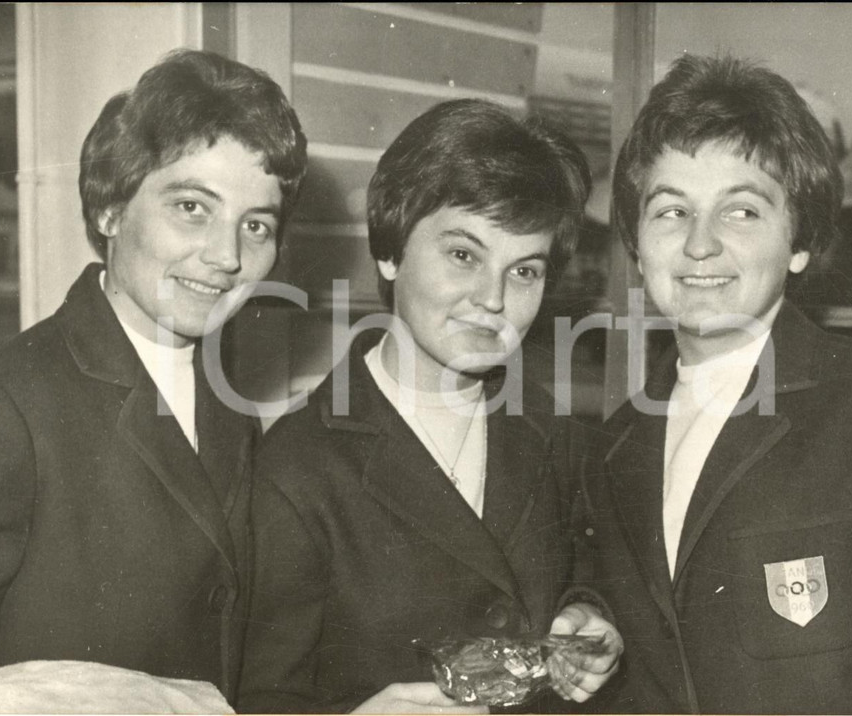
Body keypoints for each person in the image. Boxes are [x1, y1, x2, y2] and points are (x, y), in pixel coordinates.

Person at [582, 54, 852, 714]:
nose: (700, 245)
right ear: (637, 247)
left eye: (743, 212)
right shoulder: (617, 443)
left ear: (800, 242)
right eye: (672, 211)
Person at [238, 99, 623, 714]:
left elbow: (589, 567)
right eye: (463, 255)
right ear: (390, 249)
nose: (492, 298)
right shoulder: (299, 466)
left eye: (523, 271)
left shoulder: (553, 433)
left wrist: (588, 615)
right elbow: (259, 697)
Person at [0, 49, 308, 710]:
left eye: (257, 226)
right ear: (111, 208)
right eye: (191, 207)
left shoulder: (228, 404)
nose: (228, 256)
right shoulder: (4, 405)